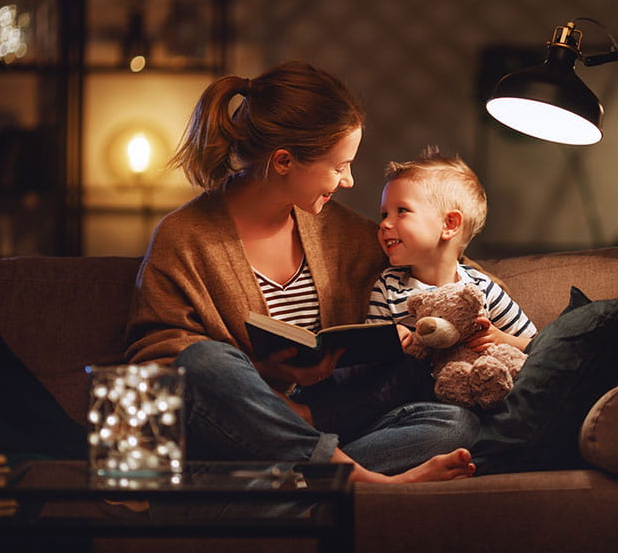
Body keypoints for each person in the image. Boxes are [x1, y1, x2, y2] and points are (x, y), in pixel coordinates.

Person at [124, 61, 479, 484]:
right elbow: (159, 363)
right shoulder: (184, 237)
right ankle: (353, 479)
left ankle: (290, 480)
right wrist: (264, 373)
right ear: (284, 161)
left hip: (330, 418)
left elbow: (447, 268)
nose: (348, 181)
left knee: (454, 424)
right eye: (339, 166)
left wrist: (484, 321)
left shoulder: (345, 233)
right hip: (241, 428)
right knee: (202, 362)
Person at [366, 149, 537, 354]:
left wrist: (502, 339)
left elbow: (538, 346)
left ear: (449, 224)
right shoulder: (388, 287)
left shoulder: (482, 289)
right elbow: (367, 355)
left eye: (402, 211)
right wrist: (390, 340)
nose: (384, 224)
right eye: (384, 214)